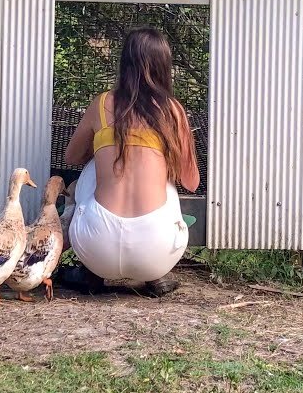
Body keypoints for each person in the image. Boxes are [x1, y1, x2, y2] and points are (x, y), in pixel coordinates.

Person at [60, 27, 200, 296]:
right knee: (167, 185)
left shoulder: (101, 104)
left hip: (95, 248)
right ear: (164, 66)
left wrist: (104, 145)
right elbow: (190, 181)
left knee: (90, 171)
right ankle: (153, 278)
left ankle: (91, 274)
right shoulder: (173, 111)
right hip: (157, 254)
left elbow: (71, 157)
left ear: (124, 64)